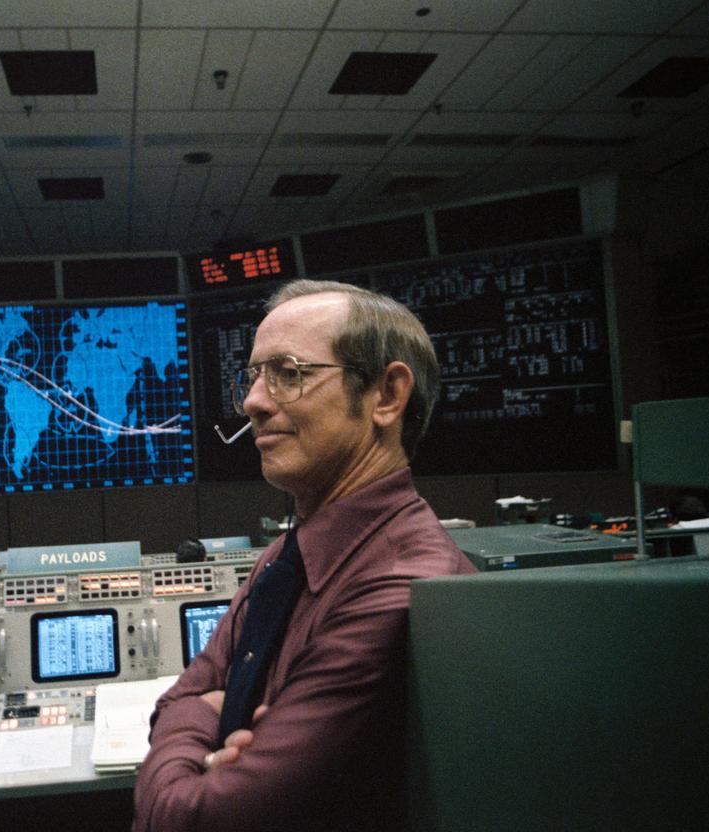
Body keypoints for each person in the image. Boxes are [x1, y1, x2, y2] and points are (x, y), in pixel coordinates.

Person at [133, 280, 476, 832]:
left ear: (386, 396)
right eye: (253, 375)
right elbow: (183, 696)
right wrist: (207, 713)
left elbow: (194, 818)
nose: (253, 402)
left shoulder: (403, 585)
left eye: (288, 373)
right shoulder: (284, 558)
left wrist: (205, 720)